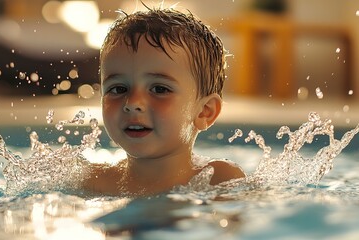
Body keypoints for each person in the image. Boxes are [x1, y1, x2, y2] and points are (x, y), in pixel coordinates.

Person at [82, 6, 245, 196]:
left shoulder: (217, 179)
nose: (132, 103)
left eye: (159, 89)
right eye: (118, 89)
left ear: (204, 111)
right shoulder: (95, 182)